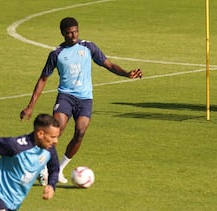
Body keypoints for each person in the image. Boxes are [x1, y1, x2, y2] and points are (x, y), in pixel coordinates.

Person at [20, 17, 143, 184]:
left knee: (80, 133)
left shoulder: (88, 47)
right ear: (63, 33)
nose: (73, 35)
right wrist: (30, 105)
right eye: (69, 32)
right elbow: (43, 79)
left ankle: (60, 168)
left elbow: (109, 64)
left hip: (85, 99)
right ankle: (41, 167)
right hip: (66, 97)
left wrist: (126, 73)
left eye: (76, 31)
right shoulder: (56, 54)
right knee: (56, 131)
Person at [0, 113, 60, 211]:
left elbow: (54, 169)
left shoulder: (49, 150)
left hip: (13, 205)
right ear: (40, 134)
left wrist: (51, 185)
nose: (56, 141)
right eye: (52, 137)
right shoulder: (16, 146)